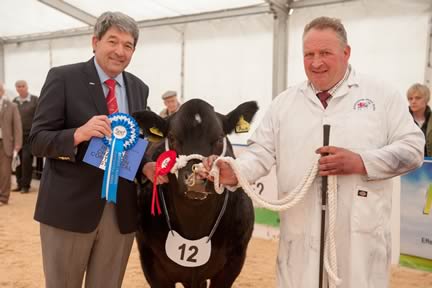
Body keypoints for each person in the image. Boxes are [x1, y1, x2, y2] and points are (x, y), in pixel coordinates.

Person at [200, 17, 424, 288]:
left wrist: (361, 161)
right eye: (309, 54)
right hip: (300, 240)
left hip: (360, 241)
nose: (316, 62)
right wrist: (234, 171)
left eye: (325, 53)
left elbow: (413, 149)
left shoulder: (382, 96)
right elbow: (259, 153)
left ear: (346, 52)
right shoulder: (284, 104)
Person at [29, 12, 149, 288]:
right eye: (113, 41)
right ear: (95, 41)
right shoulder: (63, 78)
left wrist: (147, 165)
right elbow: (37, 139)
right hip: (69, 210)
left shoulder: (138, 88)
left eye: (128, 45)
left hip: (120, 212)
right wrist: (78, 134)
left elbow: (136, 141)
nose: (120, 51)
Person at [12, 80, 38, 193]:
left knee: (27, 160)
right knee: (17, 161)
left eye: (23, 86)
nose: (21, 88)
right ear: (16, 89)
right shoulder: (14, 102)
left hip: (29, 137)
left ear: (27, 87)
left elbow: (39, 117)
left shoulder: (35, 100)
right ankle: (19, 184)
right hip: (17, 137)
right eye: (18, 86)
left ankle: (25, 186)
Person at [0, 82, 22, 206]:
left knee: (4, 171)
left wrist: (17, 144)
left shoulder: (11, 106)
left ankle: (3, 198)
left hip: (6, 143)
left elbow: (17, 126)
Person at [407, 83, 432, 156]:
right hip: (407, 163)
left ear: (426, 99)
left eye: (417, 98)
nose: (413, 101)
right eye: (410, 98)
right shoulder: (403, 119)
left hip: (429, 164)